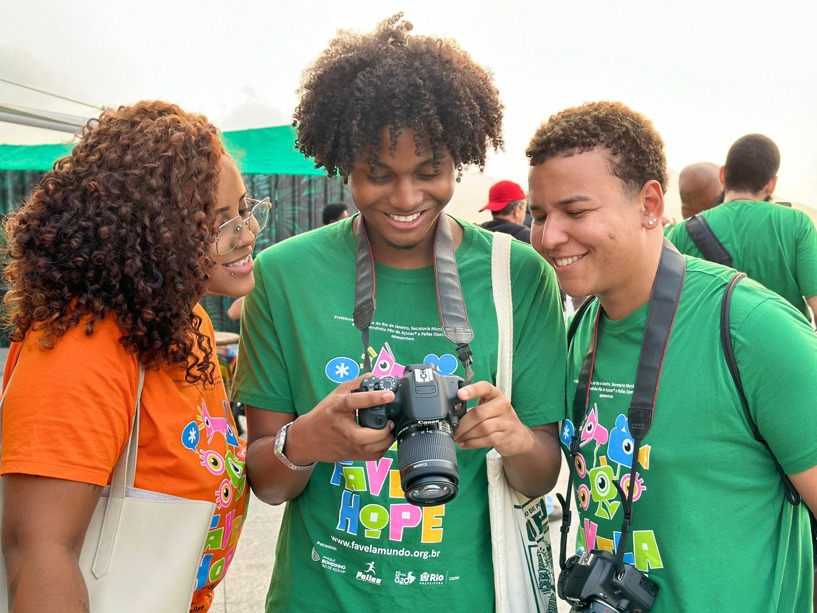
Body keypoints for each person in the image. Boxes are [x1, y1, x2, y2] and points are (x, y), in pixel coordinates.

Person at [232, 13, 566, 612]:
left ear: (459, 160)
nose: (408, 199)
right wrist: (305, 440)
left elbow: (538, 476)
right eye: (378, 174)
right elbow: (268, 483)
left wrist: (512, 437)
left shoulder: (518, 276)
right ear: (343, 165)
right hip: (319, 599)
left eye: (430, 171)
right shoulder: (283, 276)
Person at [526, 100, 817, 611]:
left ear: (651, 205)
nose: (550, 237)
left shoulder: (750, 328)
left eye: (575, 212)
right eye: (539, 215)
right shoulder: (578, 329)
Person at [0, 100, 263, 612]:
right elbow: (37, 552)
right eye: (217, 221)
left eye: (246, 210)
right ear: (149, 233)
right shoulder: (83, 343)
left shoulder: (187, 322)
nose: (247, 233)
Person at [667, 133, 817, 321]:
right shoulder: (798, 223)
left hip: (715, 349)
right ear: (771, 185)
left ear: (722, 175)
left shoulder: (682, 232)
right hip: (786, 347)